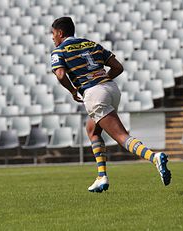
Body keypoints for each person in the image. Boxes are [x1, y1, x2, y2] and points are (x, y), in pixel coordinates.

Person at [50, 17, 171, 193]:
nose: (52, 38)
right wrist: (102, 80)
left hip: (94, 94)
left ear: (60, 33)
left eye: (53, 34)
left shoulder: (59, 51)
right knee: (92, 129)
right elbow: (118, 67)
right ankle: (101, 177)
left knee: (122, 137)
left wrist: (73, 90)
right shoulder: (91, 44)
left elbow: (60, 75)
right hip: (111, 89)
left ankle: (154, 157)